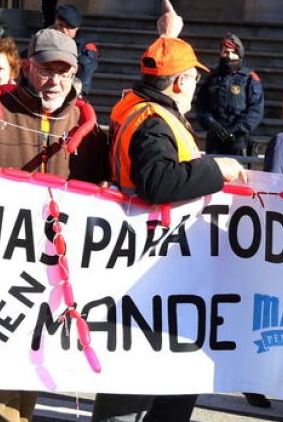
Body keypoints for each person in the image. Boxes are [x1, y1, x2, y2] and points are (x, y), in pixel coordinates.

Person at [0, 28, 109, 422]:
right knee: (0, 397)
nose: (54, 80)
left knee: (28, 383)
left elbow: (105, 190)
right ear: (28, 67)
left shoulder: (87, 129)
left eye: (63, 71)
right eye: (46, 69)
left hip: (50, 284)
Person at [93, 35, 247, 422]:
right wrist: (216, 170)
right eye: (194, 79)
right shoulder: (153, 121)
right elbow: (158, 181)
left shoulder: (137, 105)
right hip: (152, 265)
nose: (197, 87)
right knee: (143, 384)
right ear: (179, 83)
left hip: (150, 260)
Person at [193, 32, 263, 157]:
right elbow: (201, 106)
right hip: (215, 138)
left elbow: (255, 111)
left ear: (239, 54)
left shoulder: (249, 78)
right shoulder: (212, 78)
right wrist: (211, 124)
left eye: (233, 52)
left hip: (239, 140)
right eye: (225, 52)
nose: (229, 56)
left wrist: (235, 130)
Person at [50, 5, 99, 96]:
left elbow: (83, 76)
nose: (64, 30)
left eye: (69, 27)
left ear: (77, 27)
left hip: (72, 95)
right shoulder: (45, 39)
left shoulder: (87, 48)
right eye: (60, 25)